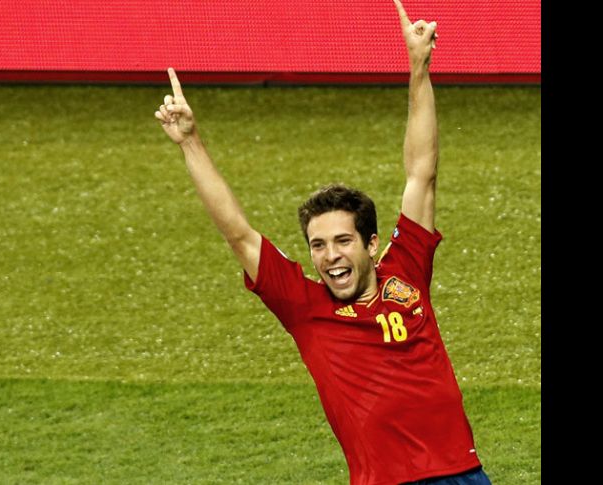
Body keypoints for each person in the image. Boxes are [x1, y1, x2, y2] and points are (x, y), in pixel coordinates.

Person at [154, 1, 491, 483]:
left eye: (341, 241)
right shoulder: (303, 307)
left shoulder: (408, 269)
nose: (329, 256)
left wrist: (419, 69)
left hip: (464, 472)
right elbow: (237, 232)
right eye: (317, 245)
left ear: (371, 244)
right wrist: (190, 142)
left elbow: (423, 172)